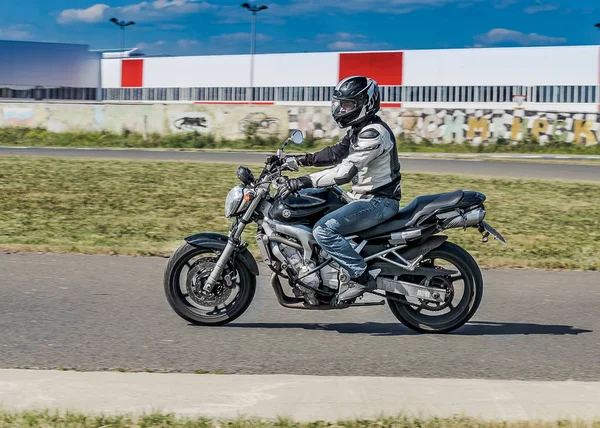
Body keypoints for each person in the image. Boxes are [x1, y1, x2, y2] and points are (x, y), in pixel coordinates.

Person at [278, 75, 401, 303]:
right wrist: (298, 160)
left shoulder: (373, 133)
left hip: (378, 202)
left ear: (366, 103)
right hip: (362, 198)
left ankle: (360, 277)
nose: (342, 109)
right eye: (341, 104)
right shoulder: (359, 129)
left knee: (323, 230)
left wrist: (302, 181)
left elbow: (344, 172)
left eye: (348, 104)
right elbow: (335, 153)